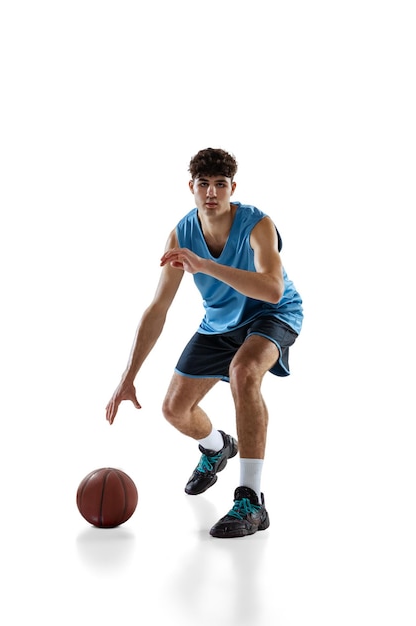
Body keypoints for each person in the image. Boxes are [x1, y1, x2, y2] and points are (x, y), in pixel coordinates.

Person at [106, 147, 303, 538]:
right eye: (203, 184)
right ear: (191, 187)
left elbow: (272, 288)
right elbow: (158, 308)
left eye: (220, 184)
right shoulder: (182, 233)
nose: (211, 192)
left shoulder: (257, 224)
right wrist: (128, 377)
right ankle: (217, 448)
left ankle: (252, 500)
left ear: (233, 188)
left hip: (272, 314)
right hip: (219, 325)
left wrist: (206, 265)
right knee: (174, 409)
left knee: (244, 371)